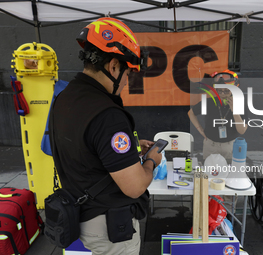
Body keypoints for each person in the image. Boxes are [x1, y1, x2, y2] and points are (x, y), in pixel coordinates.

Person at [49, 17, 162, 255]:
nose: (126, 84)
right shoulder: (108, 115)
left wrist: (130, 146)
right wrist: (151, 160)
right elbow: (135, 187)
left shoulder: (64, 97)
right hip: (109, 226)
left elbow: (83, 144)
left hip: (80, 210)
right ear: (113, 66)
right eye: (128, 74)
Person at [188, 69, 248, 213]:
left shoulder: (241, 104)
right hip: (211, 145)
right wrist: (200, 129)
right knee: (210, 178)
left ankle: (226, 213)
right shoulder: (209, 102)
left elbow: (242, 131)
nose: (222, 93)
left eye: (226, 90)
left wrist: (235, 112)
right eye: (220, 90)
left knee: (229, 179)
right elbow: (191, 112)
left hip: (230, 147)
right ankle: (208, 210)